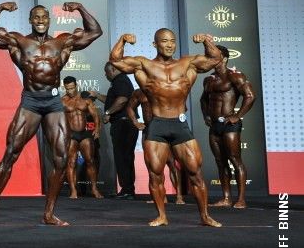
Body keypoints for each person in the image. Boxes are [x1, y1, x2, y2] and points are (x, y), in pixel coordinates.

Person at [0, 1, 102, 226]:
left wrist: (81, 8)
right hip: (31, 102)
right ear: (30, 20)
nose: (41, 20)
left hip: (53, 102)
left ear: (49, 20)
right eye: (36, 17)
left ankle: (49, 213)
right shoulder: (19, 41)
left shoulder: (62, 42)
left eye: (44, 17)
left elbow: (94, 32)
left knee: (61, 158)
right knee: (11, 152)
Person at [109, 29, 222, 227]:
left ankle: (205, 216)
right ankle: (161, 216)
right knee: (156, 174)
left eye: (172, 41)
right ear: (155, 44)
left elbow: (215, 59)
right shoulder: (144, 64)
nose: (169, 45)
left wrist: (206, 41)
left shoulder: (187, 63)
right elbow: (115, 60)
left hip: (179, 124)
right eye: (164, 41)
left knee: (195, 172)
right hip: (157, 124)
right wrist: (123, 40)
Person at [201, 45, 256, 209]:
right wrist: (206, 116)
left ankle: (241, 199)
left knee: (235, 160)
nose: (209, 59)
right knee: (220, 162)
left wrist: (237, 116)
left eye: (213, 56)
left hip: (229, 125)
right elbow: (203, 100)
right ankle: (226, 198)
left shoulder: (235, 76)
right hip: (214, 126)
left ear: (224, 58)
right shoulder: (208, 80)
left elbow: (250, 96)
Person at [128, 89, 186, 204]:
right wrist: (135, 122)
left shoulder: (165, 88)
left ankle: (179, 196)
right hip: (149, 129)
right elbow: (129, 107)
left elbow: (181, 107)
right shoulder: (139, 92)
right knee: (152, 166)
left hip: (165, 127)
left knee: (171, 163)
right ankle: (161, 196)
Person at [103, 61, 140, 199]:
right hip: (125, 123)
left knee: (123, 157)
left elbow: (122, 100)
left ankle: (127, 190)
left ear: (113, 70)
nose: (105, 75)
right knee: (125, 157)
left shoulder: (120, 80)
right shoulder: (120, 81)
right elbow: (114, 100)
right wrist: (97, 95)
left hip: (123, 124)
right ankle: (127, 190)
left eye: (106, 72)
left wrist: (108, 113)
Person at [62, 76, 103, 199]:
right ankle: (73, 191)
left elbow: (95, 115)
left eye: (72, 88)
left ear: (76, 85)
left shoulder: (85, 100)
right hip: (71, 134)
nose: (70, 91)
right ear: (65, 88)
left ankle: (94, 189)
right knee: (71, 162)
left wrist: (97, 129)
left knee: (90, 161)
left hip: (85, 133)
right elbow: (57, 119)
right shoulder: (62, 101)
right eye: (68, 89)